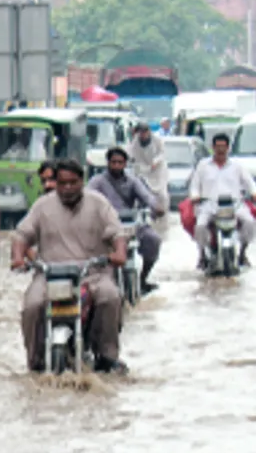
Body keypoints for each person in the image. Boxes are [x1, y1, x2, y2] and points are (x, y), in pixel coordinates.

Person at [11, 158, 128, 374]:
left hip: (92, 274)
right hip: (50, 276)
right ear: (56, 183)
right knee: (32, 306)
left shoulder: (99, 203)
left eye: (73, 183)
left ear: (82, 181)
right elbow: (22, 234)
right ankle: (35, 362)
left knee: (110, 297)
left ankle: (107, 356)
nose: (67, 188)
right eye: (62, 183)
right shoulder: (42, 206)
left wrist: (119, 253)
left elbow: (117, 232)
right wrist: (18, 257)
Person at [87, 146, 166, 292]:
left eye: (120, 162)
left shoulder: (133, 181)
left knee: (153, 240)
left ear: (125, 163)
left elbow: (147, 197)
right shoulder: (97, 181)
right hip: (106, 226)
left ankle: (143, 279)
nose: (117, 166)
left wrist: (156, 207)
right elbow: (86, 197)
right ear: (108, 163)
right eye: (113, 162)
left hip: (130, 224)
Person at [189, 133, 256, 268]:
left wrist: (255, 193)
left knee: (249, 222)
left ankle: (243, 252)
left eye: (223, 147)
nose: (220, 150)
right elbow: (195, 186)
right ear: (213, 148)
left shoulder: (237, 166)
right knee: (200, 226)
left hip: (234, 204)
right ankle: (202, 255)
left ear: (228, 148)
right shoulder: (203, 165)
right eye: (218, 147)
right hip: (209, 204)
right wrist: (195, 196)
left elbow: (250, 183)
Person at [126, 121, 170, 213]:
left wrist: (156, 161)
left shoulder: (157, 140)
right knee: (141, 190)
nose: (142, 135)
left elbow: (162, 153)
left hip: (158, 171)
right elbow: (130, 154)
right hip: (143, 170)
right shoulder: (135, 141)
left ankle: (162, 211)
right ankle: (143, 210)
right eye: (140, 133)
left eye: (144, 132)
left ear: (148, 131)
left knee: (162, 194)